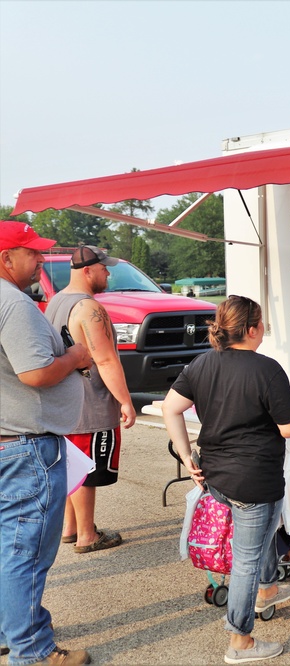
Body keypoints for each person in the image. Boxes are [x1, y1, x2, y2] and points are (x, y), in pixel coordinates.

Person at [162, 295, 290, 664]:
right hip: (254, 479)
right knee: (246, 560)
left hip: (217, 478)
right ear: (252, 329)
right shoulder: (267, 369)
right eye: (262, 325)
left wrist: (184, 453)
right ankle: (240, 640)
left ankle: (269, 590)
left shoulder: (202, 364)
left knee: (264, 532)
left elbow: (170, 407)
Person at [0, 221, 93, 666]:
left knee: (7, 547)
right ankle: (33, 652)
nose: (40, 260)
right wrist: (76, 356)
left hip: (8, 441)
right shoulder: (13, 304)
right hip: (25, 445)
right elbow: (35, 374)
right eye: (31, 252)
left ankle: (10, 631)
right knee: (25, 551)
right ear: (5, 259)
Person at [45, 245, 136, 554]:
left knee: (70, 465)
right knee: (85, 470)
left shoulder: (56, 301)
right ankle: (87, 535)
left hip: (63, 403)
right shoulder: (88, 308)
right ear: (88, 271)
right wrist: (125, 401)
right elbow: (106, 360)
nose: (108, 273)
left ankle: (70, 528)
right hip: (89, 403)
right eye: (104, 268)